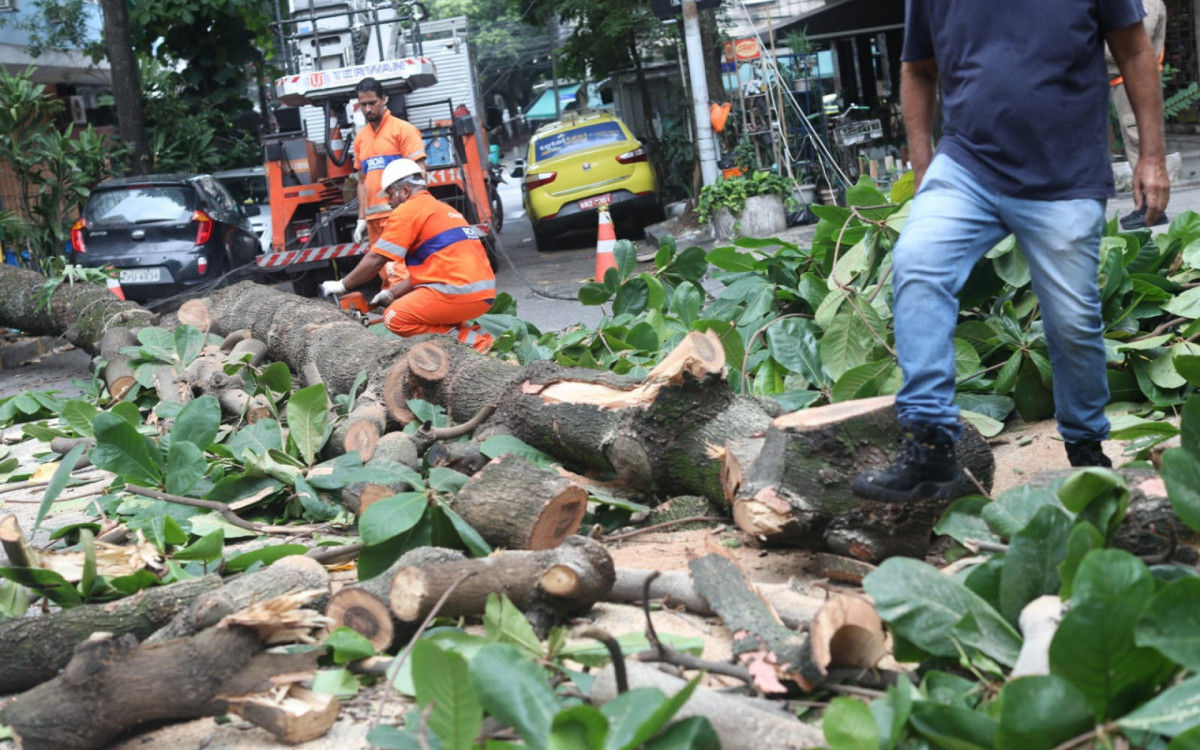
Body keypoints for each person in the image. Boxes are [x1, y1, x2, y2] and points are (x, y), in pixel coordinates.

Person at [851, 0, 1170, 504]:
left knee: (1073, 323)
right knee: (917, 260)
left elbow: (1134, 50)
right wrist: (921, 167)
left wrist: (1150, 157)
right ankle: (929, 441)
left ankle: (1085, 445)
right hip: (966, 165)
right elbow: (916, 69)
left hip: (1065, 173)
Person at [320, 159, 495, 353]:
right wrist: (391, 293)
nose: (388, 202)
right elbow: (432, 271)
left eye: (390, 194)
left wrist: (342, 285)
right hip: (481, 294)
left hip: (456, 293)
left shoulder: (408, 210)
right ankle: (477, 337)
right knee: (430, 317)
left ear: (404, 191)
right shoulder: (444, 209)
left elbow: (376, 259)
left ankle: (475, 344)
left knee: (395, 317)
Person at [1107, 0, 1168, 229]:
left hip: (1134, 82)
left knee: (1138, 140)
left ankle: (1151, 208)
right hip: (1121, 81)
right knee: (1133, 138)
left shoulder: (1147, 4)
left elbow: (1131, 47)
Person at [352, 78, 427, 252]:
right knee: (385, 274)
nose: (368, 109)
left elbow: (420, 175)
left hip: (398, 216)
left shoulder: (403, 130)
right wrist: (361, 218)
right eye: (363, 104)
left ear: (384, 99)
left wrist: (415, 214)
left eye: (372, 103)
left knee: (399, 271)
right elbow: (362, 182)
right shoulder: (361, 138)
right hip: (373, 220)